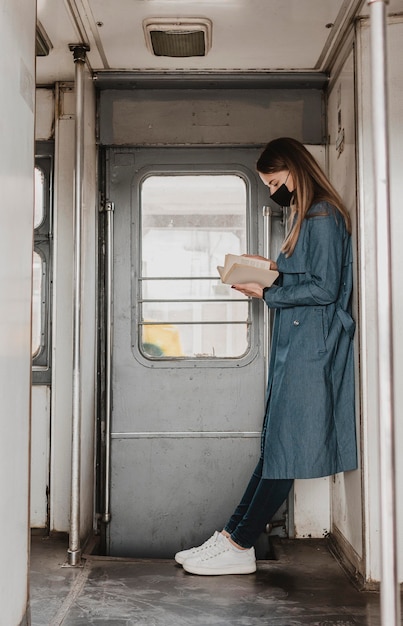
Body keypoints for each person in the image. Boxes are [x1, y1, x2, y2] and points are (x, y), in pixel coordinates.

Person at [175, 137, 357, 576]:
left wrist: (269, 289)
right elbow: (307, 277)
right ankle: (232, 537)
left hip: (312, 347)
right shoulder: (305, 216)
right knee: (277, 448)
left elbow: (325, 288)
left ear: (295, 172)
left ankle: (237, 543)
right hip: (297, 344)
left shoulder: (324, 216)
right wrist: (267, 270)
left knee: (286, 449)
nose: (274, 191)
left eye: (275, 182)